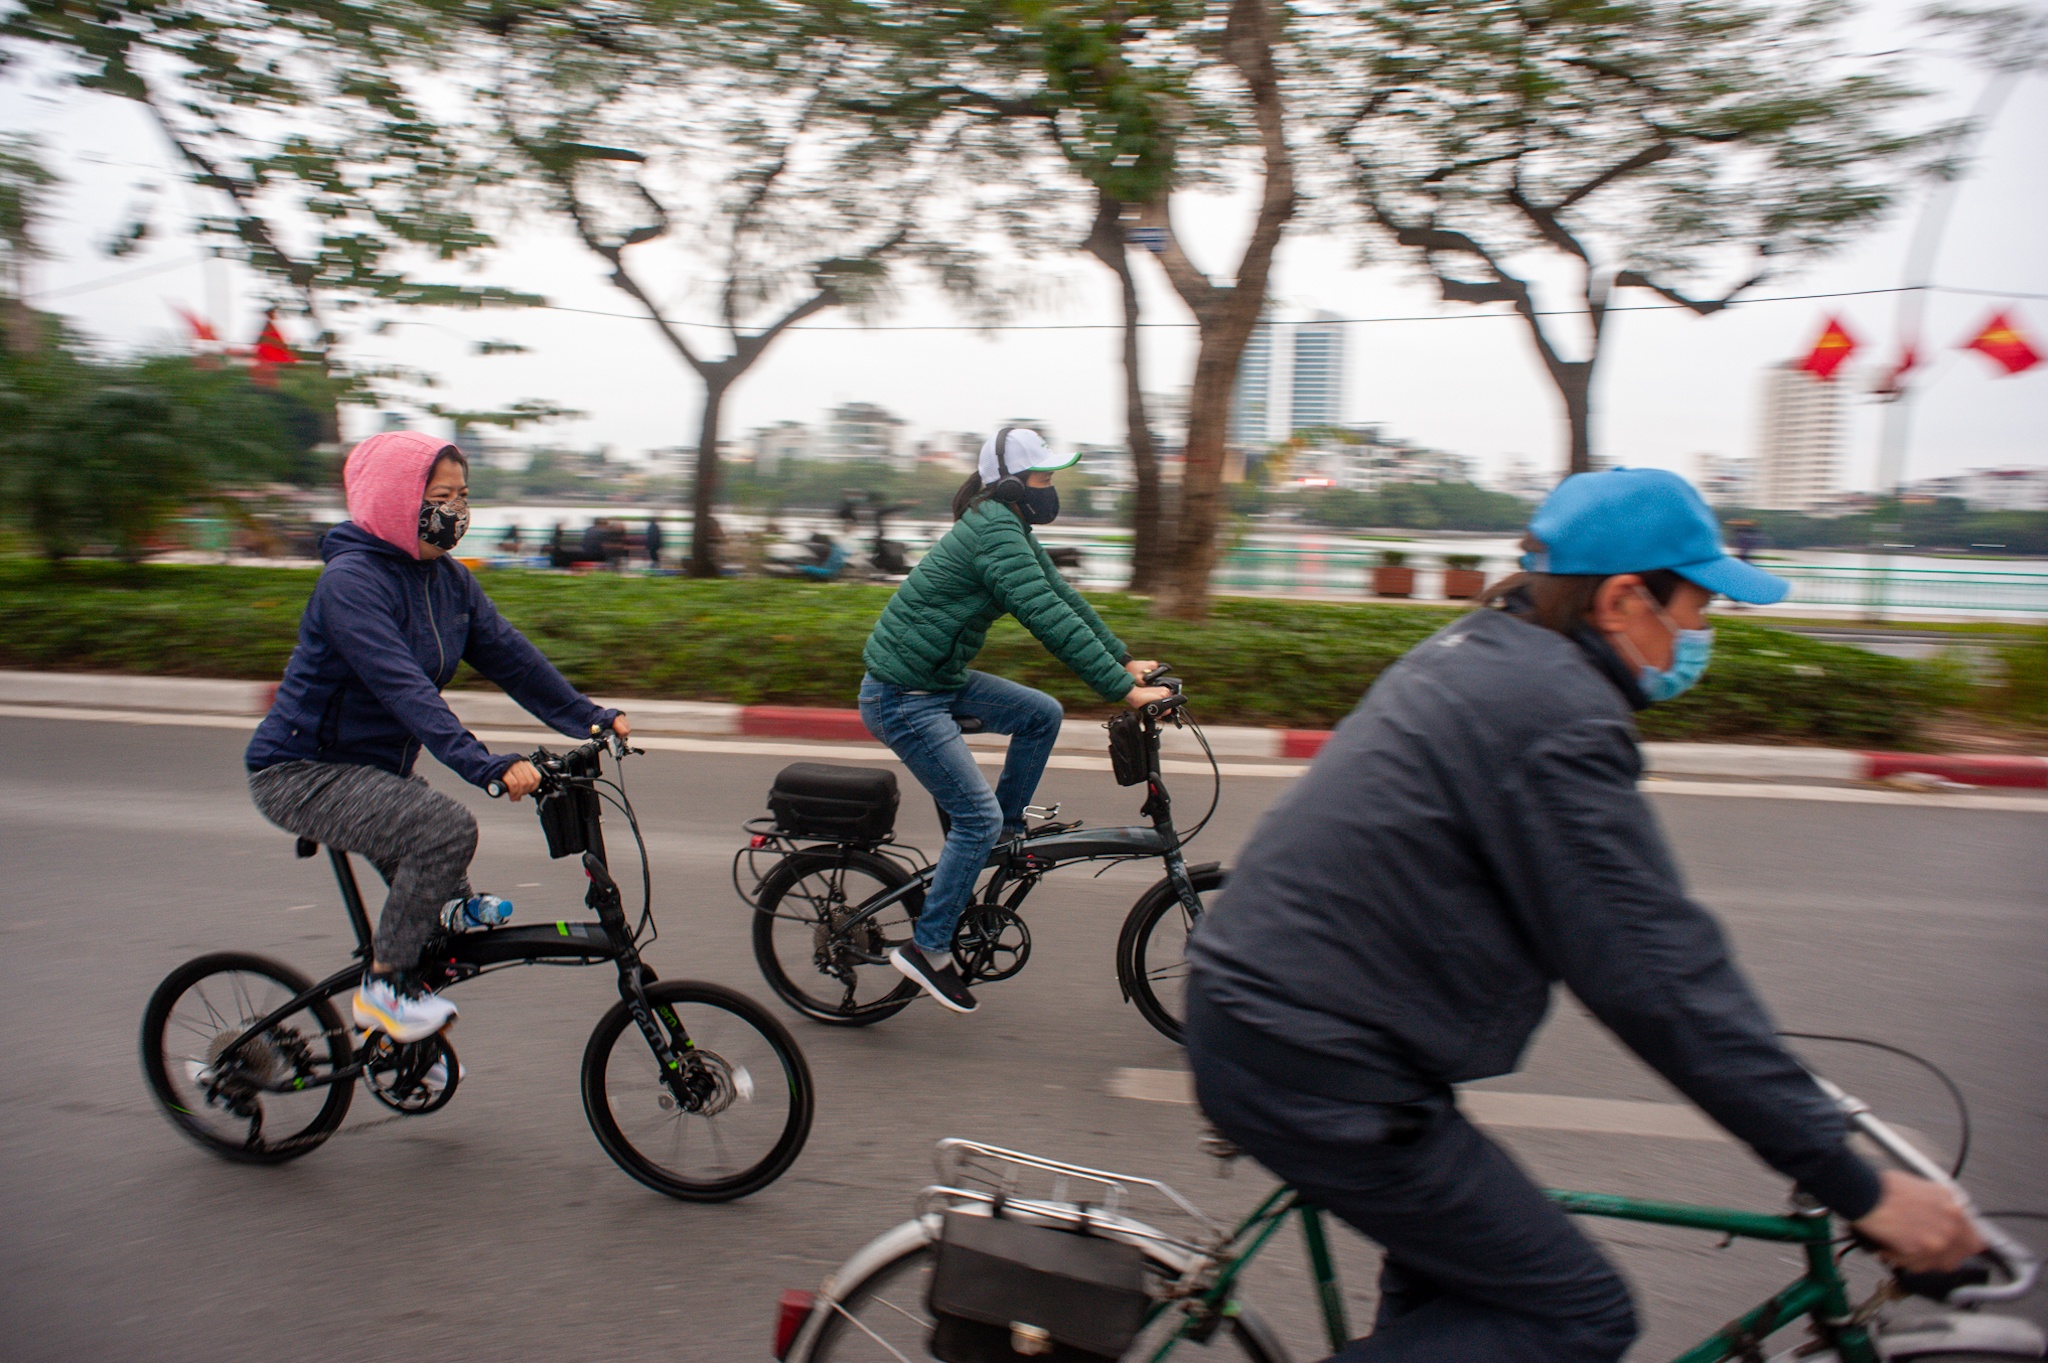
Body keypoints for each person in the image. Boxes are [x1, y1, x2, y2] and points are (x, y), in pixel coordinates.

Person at [1184, 467, 1982, 1363]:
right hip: (1317, 1063)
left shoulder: (1484, 649)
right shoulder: (1554, 716)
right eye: (1697, 603)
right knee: (1575, 1316)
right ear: (1621, 600)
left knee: (1467, 1299)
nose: (1700, 629)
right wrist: (1853, 1182)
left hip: (1294, 1023)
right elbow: (1654, 971)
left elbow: (1641, 950)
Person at [245, 432, 632, 1043]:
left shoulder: (447, 581)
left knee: (439, 887)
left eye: (463, 495)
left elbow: (509, 656)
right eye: (442, 495)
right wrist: (484, 764)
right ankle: (385, 990)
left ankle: (444, 919)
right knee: (445, 829)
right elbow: (406, 691)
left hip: (375, 775)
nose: (457, 510)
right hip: (301, 772)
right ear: (396, 498)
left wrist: (589, 716)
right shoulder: (351, 583)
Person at [860, 427, 1174, 1013]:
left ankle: (999, 832)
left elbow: (1062, 599)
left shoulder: (1008, 527)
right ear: (1011, 482)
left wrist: (1124, 660)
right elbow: (1045, 619)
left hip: (935, 682)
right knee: (971, 818)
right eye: (1044, 476)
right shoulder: (993, 534)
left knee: (1040, 715)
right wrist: (1120, 691)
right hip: (902, 695)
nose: (1051, 487)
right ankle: (926, 949)